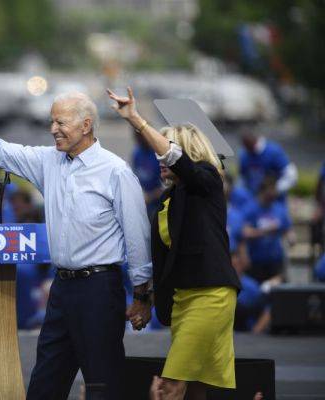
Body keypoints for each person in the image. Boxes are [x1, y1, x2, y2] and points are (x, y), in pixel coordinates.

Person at [0, 79, 152, 399]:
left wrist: (143, 294)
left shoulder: (115, 171)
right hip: (61, 290)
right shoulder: (48, 162)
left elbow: (137, 235)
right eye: (51, 121)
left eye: (60, 122)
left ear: (86, 125)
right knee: (44, 386)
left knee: (104, 386)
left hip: (100, 291)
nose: (52, 129)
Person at [107, 87, 241, 399]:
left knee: (169, 387)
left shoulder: (207, 182)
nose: (159, 157)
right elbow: (168, 260)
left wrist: (137, 120)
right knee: (195, 391)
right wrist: (146, 300)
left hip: (209, 298)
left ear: (187, 153)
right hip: (183, 302)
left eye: (166, 150)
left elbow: (180, 163)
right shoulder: (171, 198)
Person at [243, 176, 291, 283]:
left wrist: (290, 237)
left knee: (277, 293)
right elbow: (244, 232)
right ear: (263, 191)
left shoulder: (279, 208)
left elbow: (287, 228)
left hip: (275, 260)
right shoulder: (250, 209)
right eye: (271, 190)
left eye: (275, 189)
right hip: (256, 262)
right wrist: (264, 231)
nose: (274, 193)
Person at [238, 129, 297, 202]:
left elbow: (291, 176)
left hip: (275, 202)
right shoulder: (244, 155)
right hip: (254, 201)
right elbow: (242, 180)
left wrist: (275, 189)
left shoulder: (273, 152)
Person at [132, 133, 163, 215]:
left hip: (160, 204)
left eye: (141, 136)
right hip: (146, 204)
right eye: (137, 137)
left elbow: (166, 186)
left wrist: (150, 196)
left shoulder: (158, 154)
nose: (139, 140)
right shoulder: (137, 154)